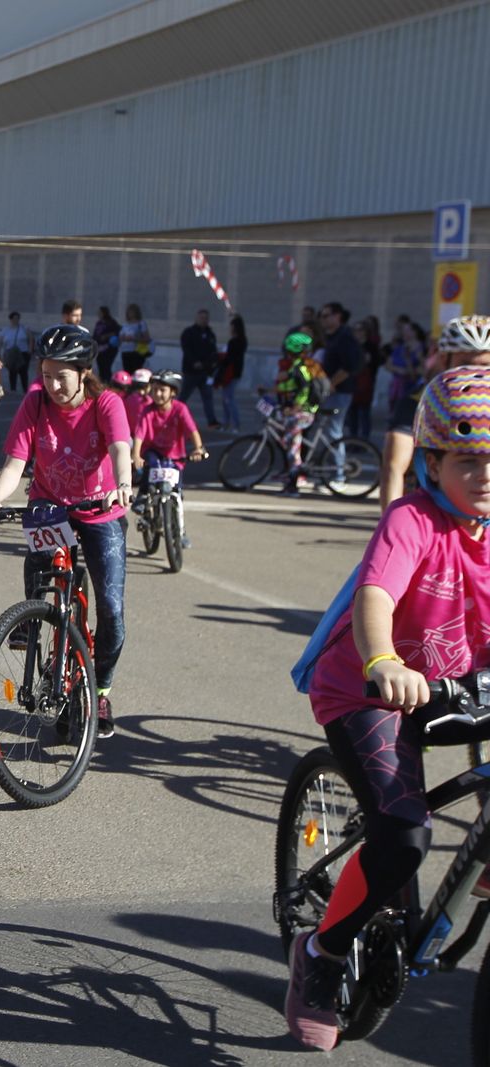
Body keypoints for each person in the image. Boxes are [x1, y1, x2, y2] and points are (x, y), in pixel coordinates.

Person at [281, 365, 490, 1051]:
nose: (486, 473)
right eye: (470, 459)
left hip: (459, 688)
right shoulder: (413, 521)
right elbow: (376, 597)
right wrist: (383, 661)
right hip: (370, 689)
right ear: (432, 460)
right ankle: (322, 953)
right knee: (403, 836)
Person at [0, 324, 132, 738]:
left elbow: (120, 448)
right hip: (50, 501)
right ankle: (33, 614)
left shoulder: (106, 403)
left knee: (112, 612)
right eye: (46, 374)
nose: (53, 384)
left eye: (61, 375)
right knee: (42, 555)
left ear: (83, 373)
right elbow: (14, 463)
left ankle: (100, 689)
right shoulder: (36, 403)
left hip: (100, 509)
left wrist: (123, 483)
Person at [380, 317, 490, 507]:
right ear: (444, 360)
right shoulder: (420, 401)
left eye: (485, 366)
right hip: (430, 513)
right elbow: (394, 466)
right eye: (465, 364)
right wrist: (390, 518)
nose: (475, 374)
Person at [131, 369, 207, 548]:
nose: (157, 394)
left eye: (162, 390)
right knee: (151, 469)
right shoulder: (147, 411)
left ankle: (180, 532)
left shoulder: (180, 409)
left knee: (177, 494)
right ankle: (143, 497)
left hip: (175, 456)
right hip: (153, 451)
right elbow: (139, 435)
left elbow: (192, 430)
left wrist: (198, 448)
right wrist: (136, 455)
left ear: (173, 392)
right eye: (155, 389)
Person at [272, 331, 324, 496]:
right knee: (289, 444)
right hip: (305, 411)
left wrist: (296, 406)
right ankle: (294, 476)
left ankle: (293, 485)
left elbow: (303, 389)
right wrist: (271, 390)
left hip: (302, 413)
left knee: (292, 449)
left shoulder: (300, 367)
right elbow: (291, 386)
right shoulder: (303, 365)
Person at [318, 301, 362, 480]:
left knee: (334, 431)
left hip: (340, 391)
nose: (323, 319)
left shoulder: (344, 337)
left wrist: (330, 384)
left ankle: (339, 475)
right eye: (321, 316)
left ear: (338, 316)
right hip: (331, 390)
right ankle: (330, 472)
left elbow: (349, 366)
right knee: (327, 432)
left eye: (326, 315)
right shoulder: (331, 336)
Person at [179, 308, 221, 429]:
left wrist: (212, 365)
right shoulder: (189, 332)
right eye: (202, 318)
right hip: (191, 372)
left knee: (208, 397)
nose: (204, 320)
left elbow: (213, 352)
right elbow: (186, 349)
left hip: (205, 372)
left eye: (206, 318)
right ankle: (172, 415)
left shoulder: (210, 334)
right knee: (183, 396)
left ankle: (211, 421)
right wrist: (194, 362)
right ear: (197, 318)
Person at [216, 315, 247, 433]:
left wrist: (221, 360)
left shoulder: (235, 342)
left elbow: (229, 358)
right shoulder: (242, 341)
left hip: (231, 373)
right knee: (226, 398)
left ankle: (234, 424)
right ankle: (227, 423)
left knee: (229, 399)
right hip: (234, 372)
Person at [0, 311, 33, 392]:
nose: (16, 320)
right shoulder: (6, 330)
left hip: (23, 353)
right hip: (11, 353)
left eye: (17, 318)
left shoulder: (24, 328)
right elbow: (0, 342)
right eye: (14, 318)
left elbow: (31, 339)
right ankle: (13, 389)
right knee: (12, 371)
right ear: (10, 319)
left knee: (23, 372)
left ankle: (25, 389)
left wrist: (30, 350)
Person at [118, 303, 152, 375]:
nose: (130, 314)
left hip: (136, 352)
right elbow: (120, 337)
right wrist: (123, 338)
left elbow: (147, 338)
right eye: (129, 312)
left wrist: (134, 339)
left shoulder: (141, 324)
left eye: (132, 312)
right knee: (126, 372)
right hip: (125, 351)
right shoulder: (125, 324)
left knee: (135, 372)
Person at [92, 306, 121, 381]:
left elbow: (118, 331)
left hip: (109, 348)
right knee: (100, 366)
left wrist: (107, 336)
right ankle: (102, 382)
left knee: (107, 366)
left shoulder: (111, 322)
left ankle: (107, 381)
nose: (98, 314)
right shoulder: (99, 323)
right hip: (99, 348)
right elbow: (95, 334)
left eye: (100, 312)